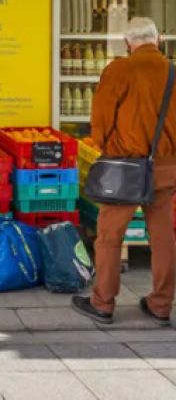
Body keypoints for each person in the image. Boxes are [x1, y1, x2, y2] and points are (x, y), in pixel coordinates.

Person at [72, 17, 176, 326]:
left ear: (129, 43)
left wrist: (110, 148)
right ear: (157, 41)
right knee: (162, 237)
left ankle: (102, 303)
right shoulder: (172, 72)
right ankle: (160, 304)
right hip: (166, 167)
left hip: (125, 167)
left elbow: (100, 122)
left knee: (109, 236)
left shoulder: (119, 70)